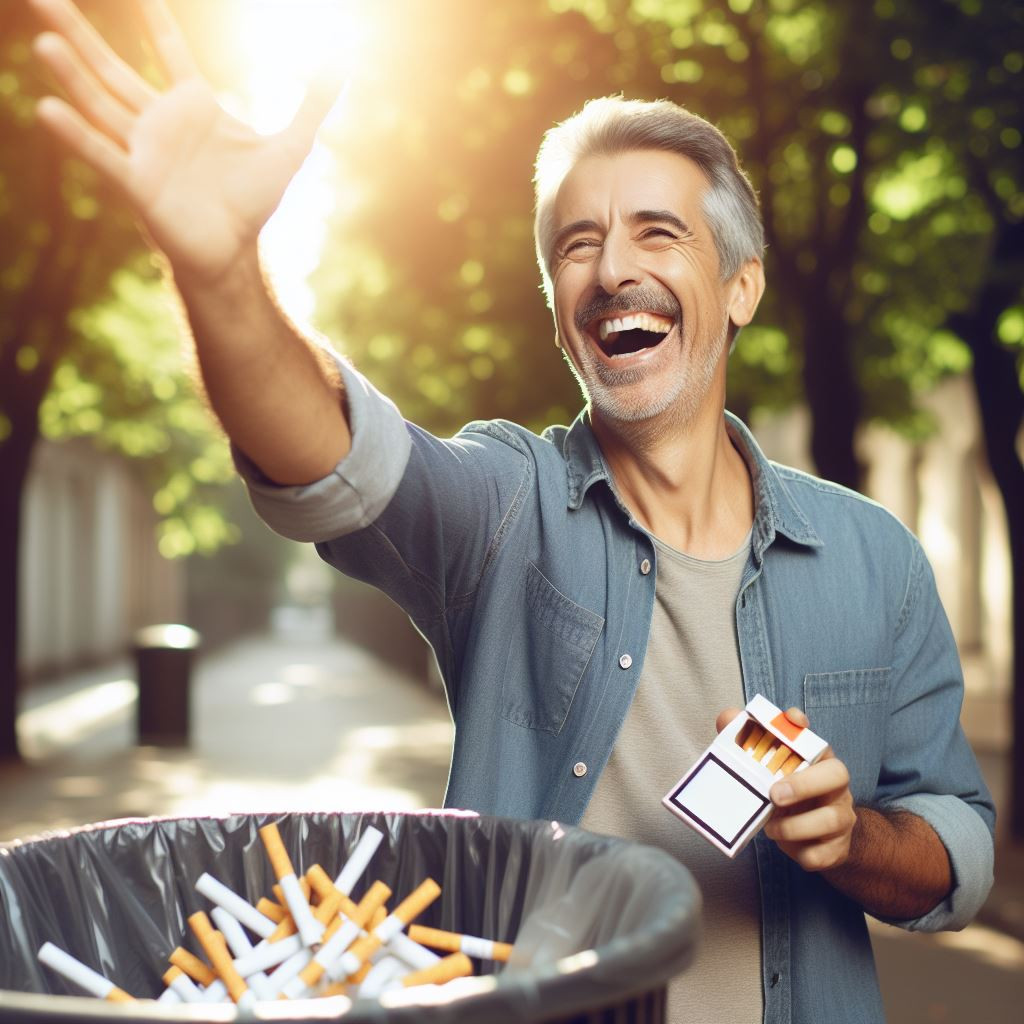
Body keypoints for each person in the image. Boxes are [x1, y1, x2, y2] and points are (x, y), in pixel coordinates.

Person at [30, 1, 995, 1021]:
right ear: (557, 309)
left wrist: (855, 839)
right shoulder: (503, 507)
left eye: (655, 233)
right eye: (577, 245)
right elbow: (334, 460)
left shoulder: (874, 556)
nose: (613, 268)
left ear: (740, 283)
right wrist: (220, 270)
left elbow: (957, 843)